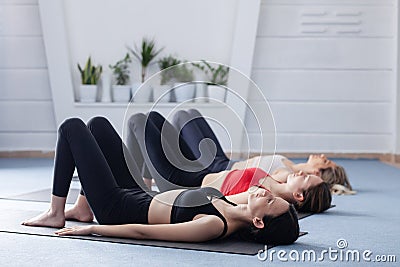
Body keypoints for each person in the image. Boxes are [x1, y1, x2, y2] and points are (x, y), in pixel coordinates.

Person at [22, 117, 299, 245]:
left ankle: (55, 212)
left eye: (271, 201)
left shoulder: (215, 225)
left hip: (116, 207)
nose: (266, 194)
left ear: (259, 222)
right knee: (98, 125)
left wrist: (95, 231)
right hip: (135, 191)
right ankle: (82, 208)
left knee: (71, 128)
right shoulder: (233, 205)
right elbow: (250, 189)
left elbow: (146, 233)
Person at [127, 112, 332, 213]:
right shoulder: (278, 181)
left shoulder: (263, 197)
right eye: (307, 173)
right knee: (154, 118)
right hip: (197, 169)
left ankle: (135, 190)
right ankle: (143, 187)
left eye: (306, 179)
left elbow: (222, 208)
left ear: (299, 195)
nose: (303, 174)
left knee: (137, 121)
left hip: (181, 182)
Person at [171, 109, 353, 194]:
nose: (322, 156)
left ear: (317, 173)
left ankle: (166, 168)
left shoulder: (287, 175)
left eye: (326, 161)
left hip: (217, 168)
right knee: (191, 113)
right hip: (224, 160)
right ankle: (168, 164)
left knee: (181, 117)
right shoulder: (291, 165)